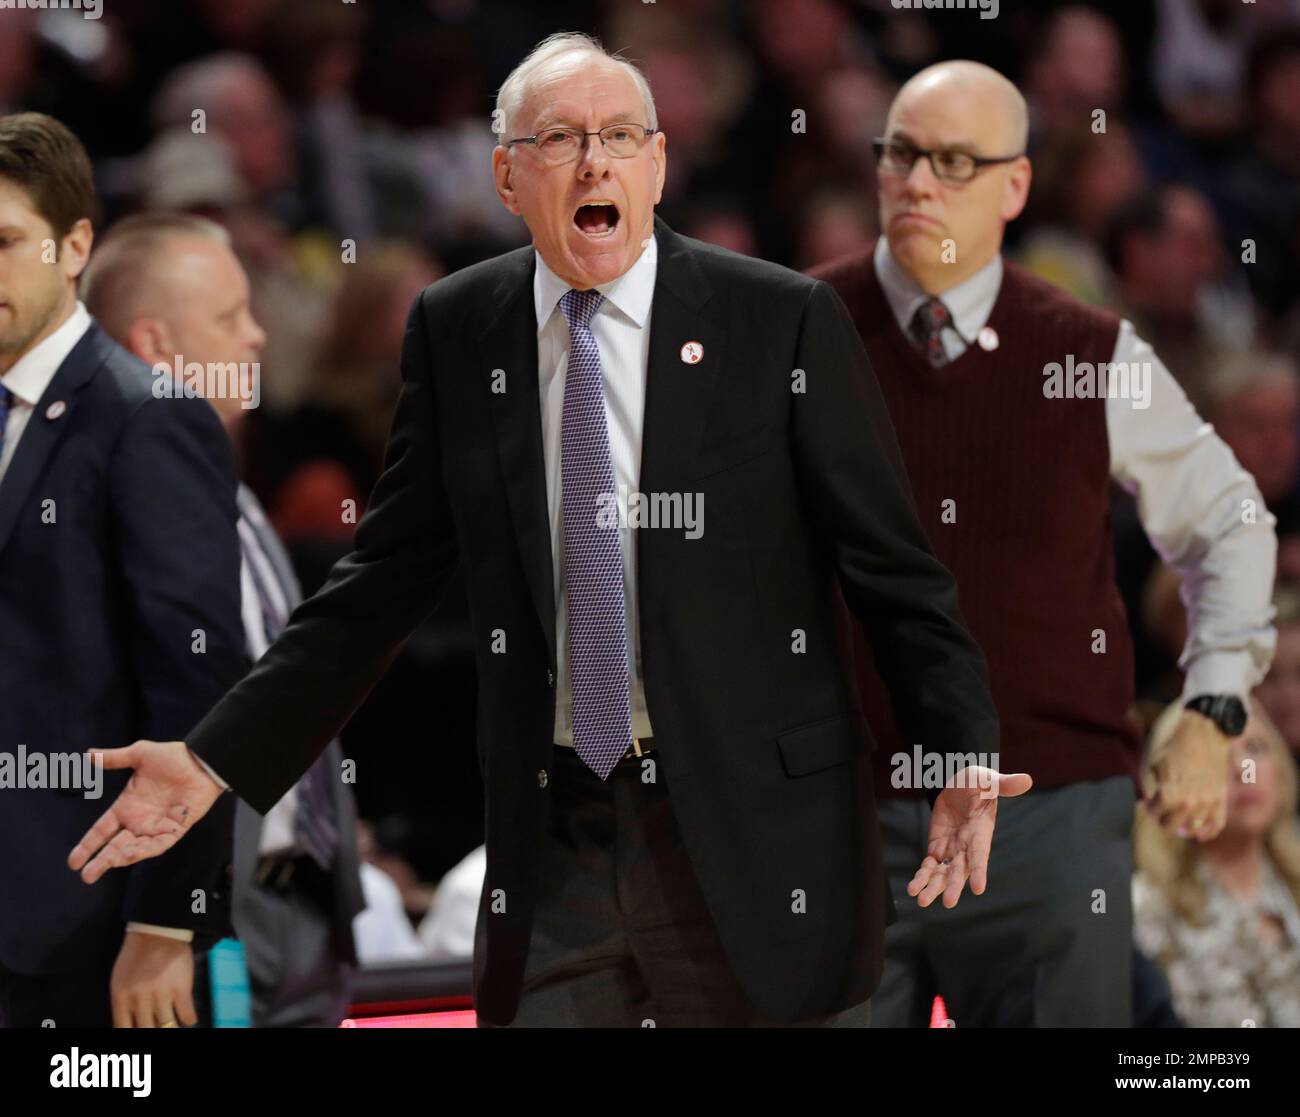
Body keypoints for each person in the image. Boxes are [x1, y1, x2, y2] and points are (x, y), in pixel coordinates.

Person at [68, 33, 1029, 1029]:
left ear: (657, 165)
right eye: (560, 138)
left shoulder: (778, 322)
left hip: (751, 831)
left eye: (619, 135)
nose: (594, 161)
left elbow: (895, 575)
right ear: (506, 175)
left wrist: (956, 746)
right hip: (555, 827)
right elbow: (379, 586)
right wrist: (218, 757)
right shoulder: (458, 327)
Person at [811, 60, 1276, 1027]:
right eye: (899, 155)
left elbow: (1230, 519)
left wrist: (1216, 699)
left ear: (1016, 185)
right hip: (831, 809)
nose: (918, 183)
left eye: (953, 161)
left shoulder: (1088, 348)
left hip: (1049, 805)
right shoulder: (793, 329)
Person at [81, 212, 367, 1027]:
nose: (257, 336)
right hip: (187, 925)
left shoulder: (238, 495)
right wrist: (161, 917)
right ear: (156, 346)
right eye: (228, 316)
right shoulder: (100, 509)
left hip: (304, 907)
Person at [0, 114, 242, 1028]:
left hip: (87, 932)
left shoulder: (149, 418)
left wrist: (164, 922)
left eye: (4, 242)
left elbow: (202, 687)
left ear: (75, 247)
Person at [1134, 699, 1300, 1028]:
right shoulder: (1144, 910)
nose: (1242, 769)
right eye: (1215, 755)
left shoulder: (1293, 885)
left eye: (1255, 747)